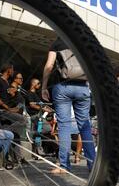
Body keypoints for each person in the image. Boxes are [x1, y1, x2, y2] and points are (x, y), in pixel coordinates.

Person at [42, 37, 96, 173]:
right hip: (83, 88)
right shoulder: (84, 41)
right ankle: (93, 164)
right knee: (85, 126)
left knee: (64, 127)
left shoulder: (57, 43)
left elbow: (49, 66)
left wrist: (44, 87)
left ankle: (64, 166)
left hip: (62, 87)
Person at [0, 63, 27, 164]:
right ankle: (6, 130)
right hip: (1, 111)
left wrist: (12, 94)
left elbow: (8, 97)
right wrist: (8, 108)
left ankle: (8, 159)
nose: (13, 71)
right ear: (8, 70)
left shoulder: (7, 82)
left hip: (7, 111)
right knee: (23, 119)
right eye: (12, 69)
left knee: (13, 134)